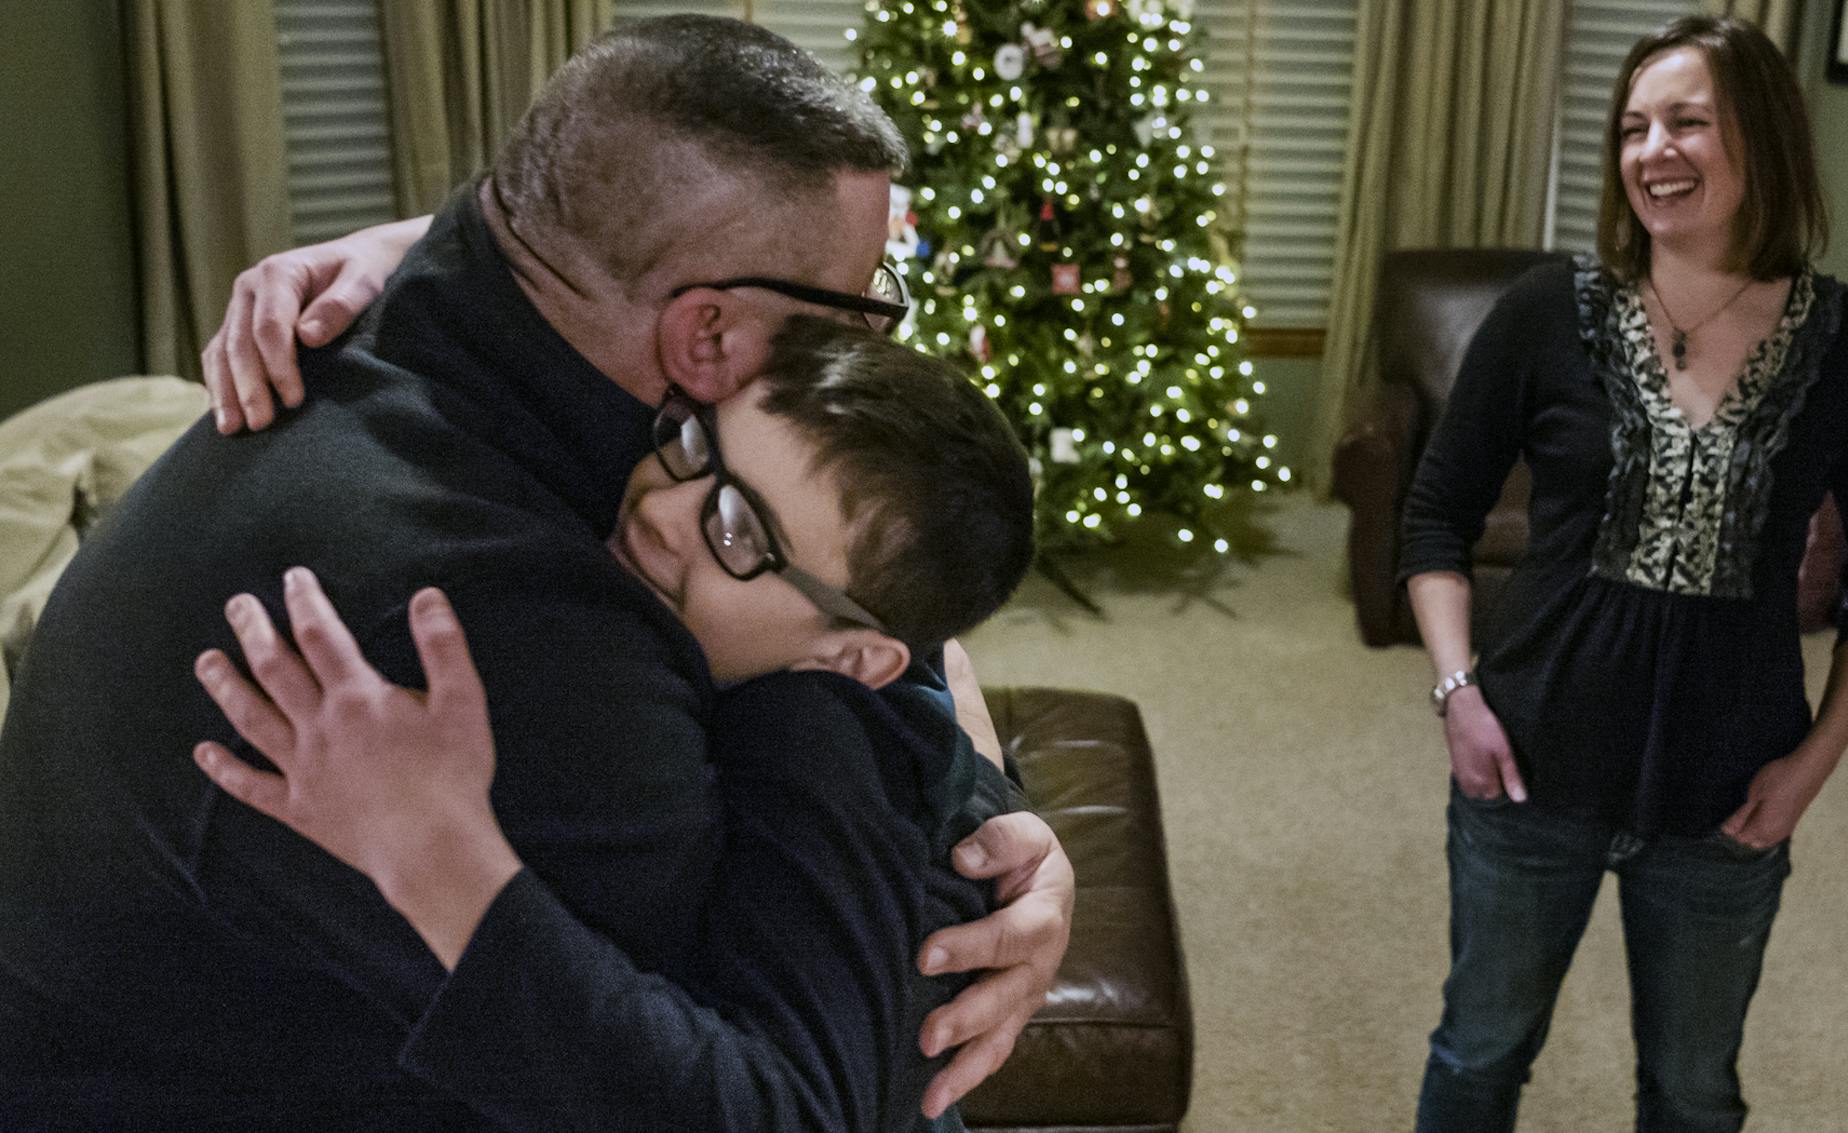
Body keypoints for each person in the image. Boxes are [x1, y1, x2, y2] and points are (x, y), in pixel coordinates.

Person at [0, 16, 1070, 1130]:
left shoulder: (457, 328)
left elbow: (867, 597)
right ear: (706, 334)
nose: (868, 346)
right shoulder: (495, 619)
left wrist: (998, 820)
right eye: (854, 310)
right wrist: (961, 872)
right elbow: (813, 1068)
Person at [192, 316, 1037, 1133]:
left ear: (853, 660)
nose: (667, 513)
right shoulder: (764, 631)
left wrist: (441, 863)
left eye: (739, 533)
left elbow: (794, 1110)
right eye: (695, 446)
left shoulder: (818, 745)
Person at [1398, 17, 1848, 1133]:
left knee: (1693, 1089)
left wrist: (1812, 766)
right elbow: (1436, 515)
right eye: (1634, 127)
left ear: (1763, 142)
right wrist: (1458, 696)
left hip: (1729, 790)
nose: (1653, 149)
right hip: (1528, 760)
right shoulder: (1548, 310)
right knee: (1478, 1052)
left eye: (1687, 121)